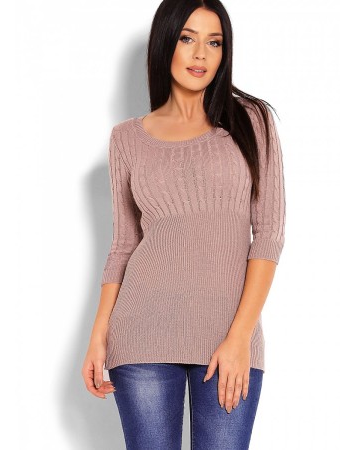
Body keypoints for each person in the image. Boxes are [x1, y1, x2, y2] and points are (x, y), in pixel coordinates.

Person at [82, 0, 286, 448]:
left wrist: (239, 337)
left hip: (230, 333)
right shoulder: (127, 138)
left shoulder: (253, 121)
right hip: (141, 332)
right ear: (165, 44)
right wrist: (98, 335)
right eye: (187, 38)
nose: (200, 54)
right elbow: (123, 245)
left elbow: (269, 234)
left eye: (214, 42)